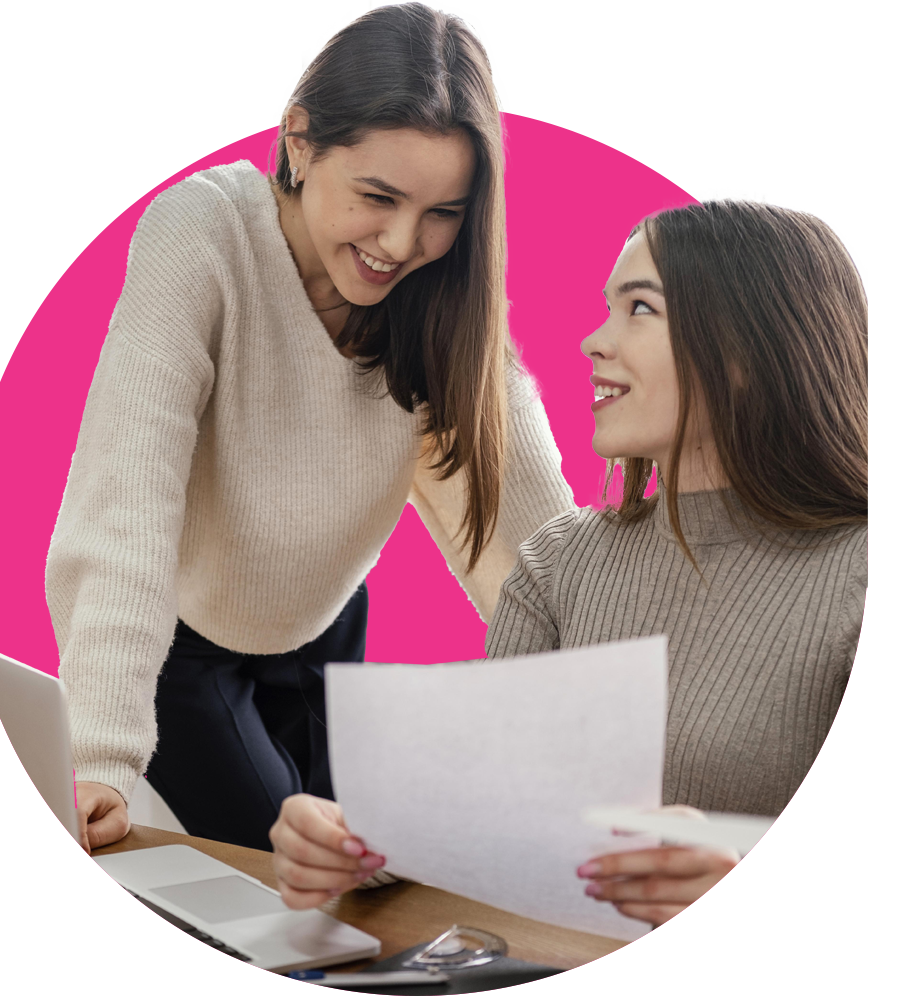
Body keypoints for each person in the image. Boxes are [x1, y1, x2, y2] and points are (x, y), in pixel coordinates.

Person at [46, 2, 574, 856]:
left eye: (443, 212)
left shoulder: (442, 298)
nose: (402, 243)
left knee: (372, 870)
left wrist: (629, 715)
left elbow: (537, 529)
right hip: (189, 638)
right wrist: (98, 754)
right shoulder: (202, 234)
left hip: (325, 619)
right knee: (290, 875)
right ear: (298, 141)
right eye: (378, 197)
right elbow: (125, 499)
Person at [268, 195, 868, 925]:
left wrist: (752, 887)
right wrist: (355, 846)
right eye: (608, 308)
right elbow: (489, 812)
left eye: (640, 309)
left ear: (749, 350)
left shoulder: (864, 576)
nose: (593, 341)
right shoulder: (560, 562)